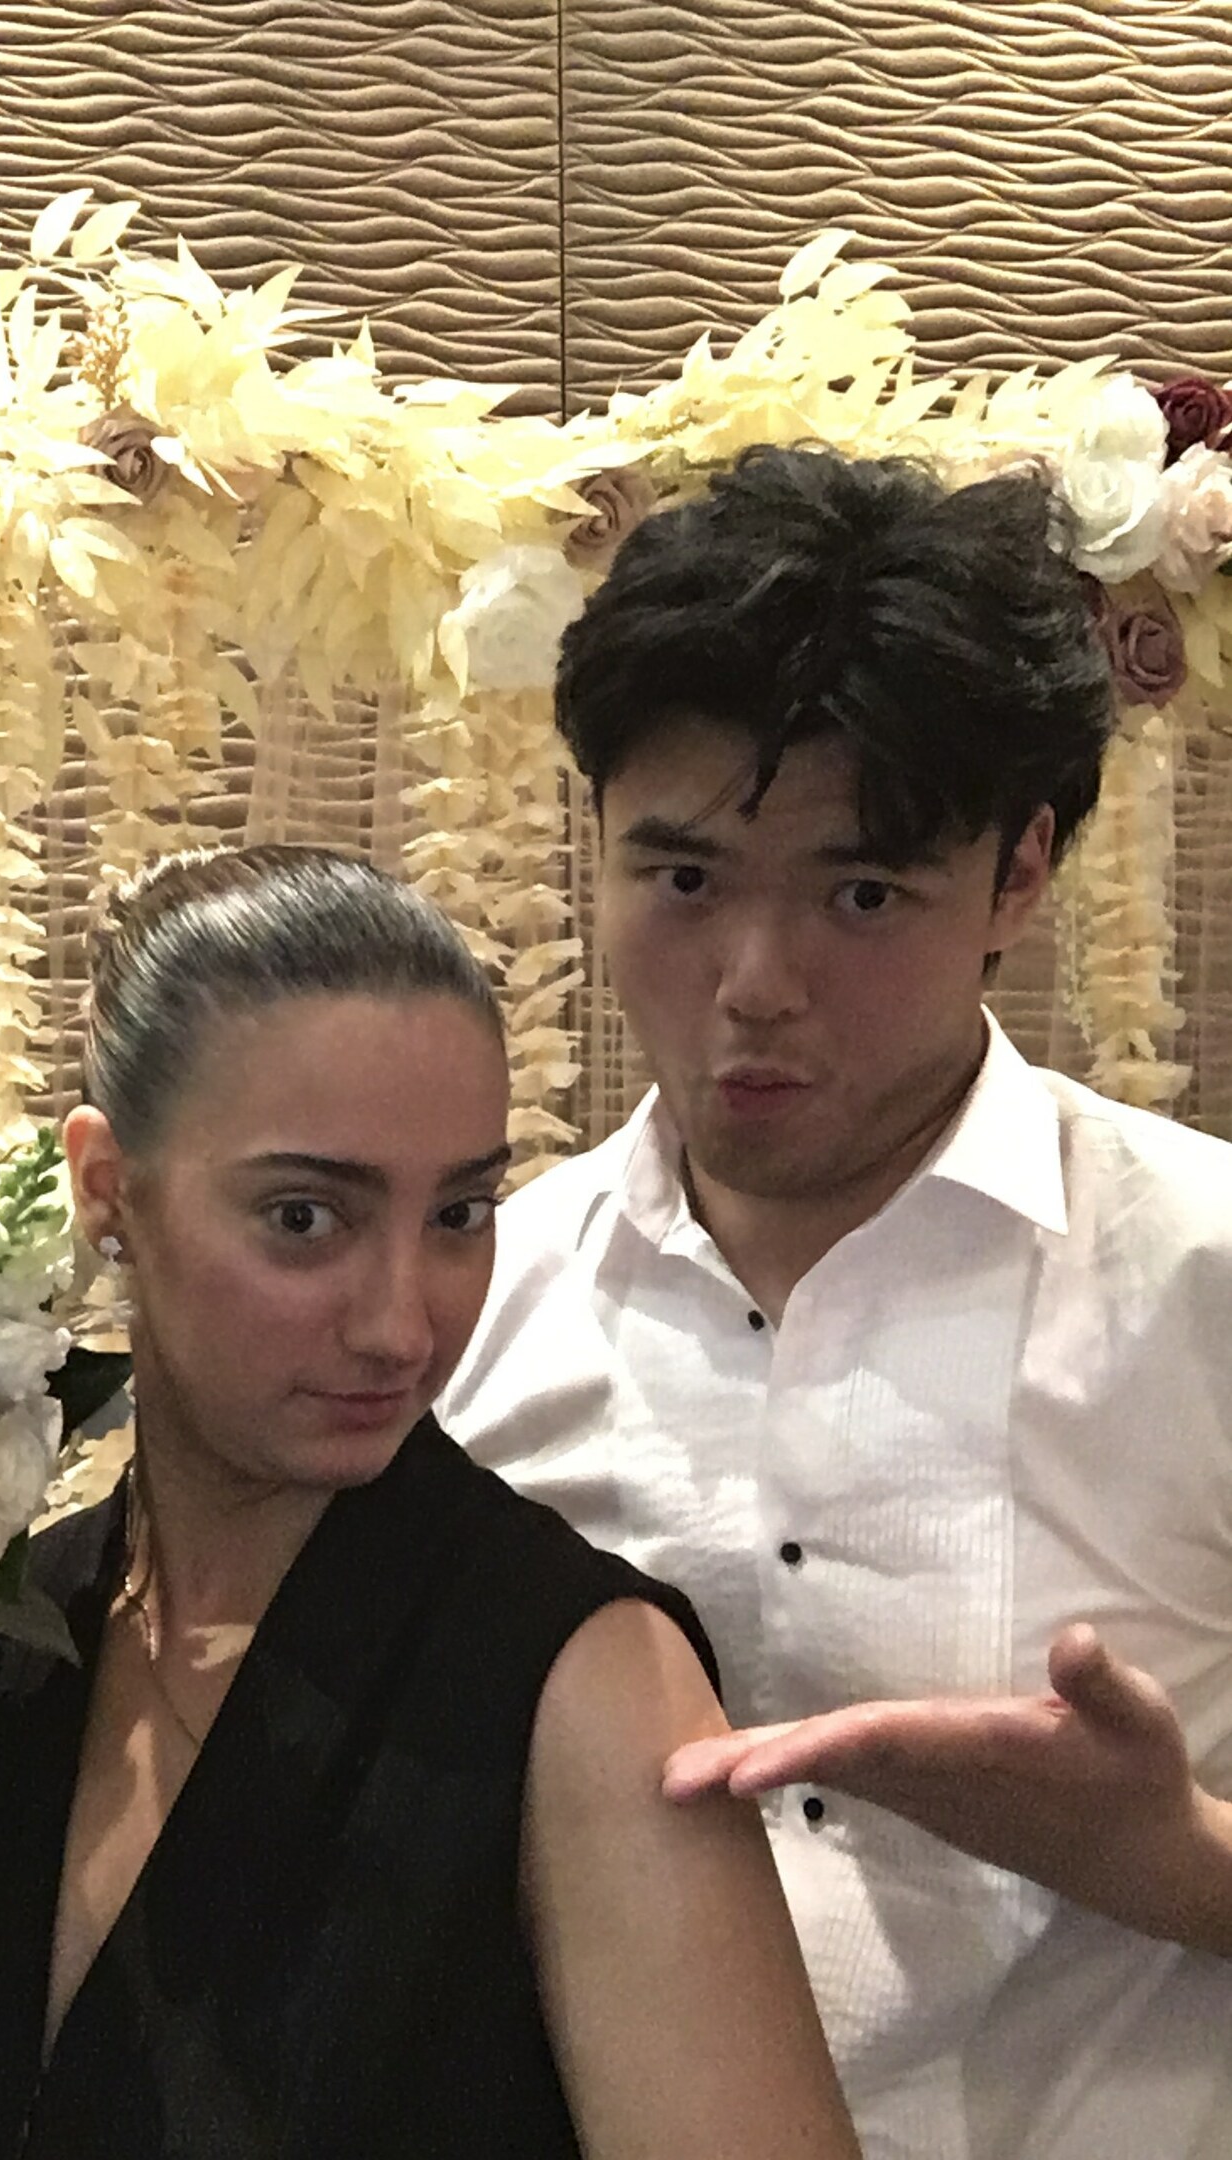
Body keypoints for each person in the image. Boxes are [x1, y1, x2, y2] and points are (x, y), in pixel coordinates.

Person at [0, 845, 860, 2159]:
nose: (402, 1326)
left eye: (458, 1212)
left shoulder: (587, 1689)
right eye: (306, 1218)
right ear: (108, 1191)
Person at [440, 445, 1232, 2159]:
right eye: (683, 881)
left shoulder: (1208, 1279)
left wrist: (1178, 1864)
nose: (755, 987)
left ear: (1021, 873)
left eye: (863, 894)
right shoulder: (468, 1312)